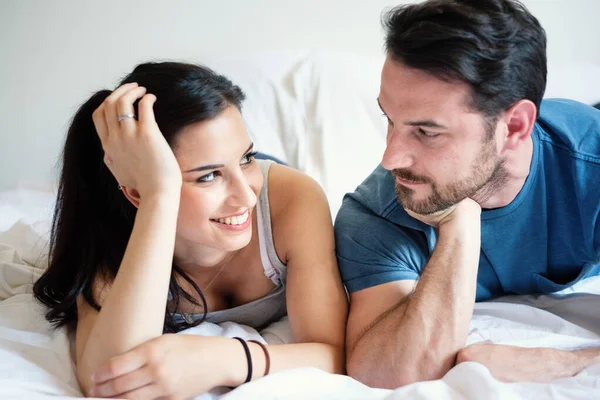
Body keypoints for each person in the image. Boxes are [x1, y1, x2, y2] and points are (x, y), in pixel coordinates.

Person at [33, 61, 347, 399]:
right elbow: (110, 380)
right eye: (207, 176)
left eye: (246, 157)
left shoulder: (293, 200)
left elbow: (333, 354)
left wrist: (224, 359)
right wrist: (158, 197)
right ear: (138, 191)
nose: (245, 195)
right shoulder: (115, 230)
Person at [334, 0, 600, 389]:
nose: (390, 157)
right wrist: (462, 221)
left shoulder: (590, 164)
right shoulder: (376, 212)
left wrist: (566, 362)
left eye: (427, 132)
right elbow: (382, 373)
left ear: (514, 127)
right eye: (390, 120)